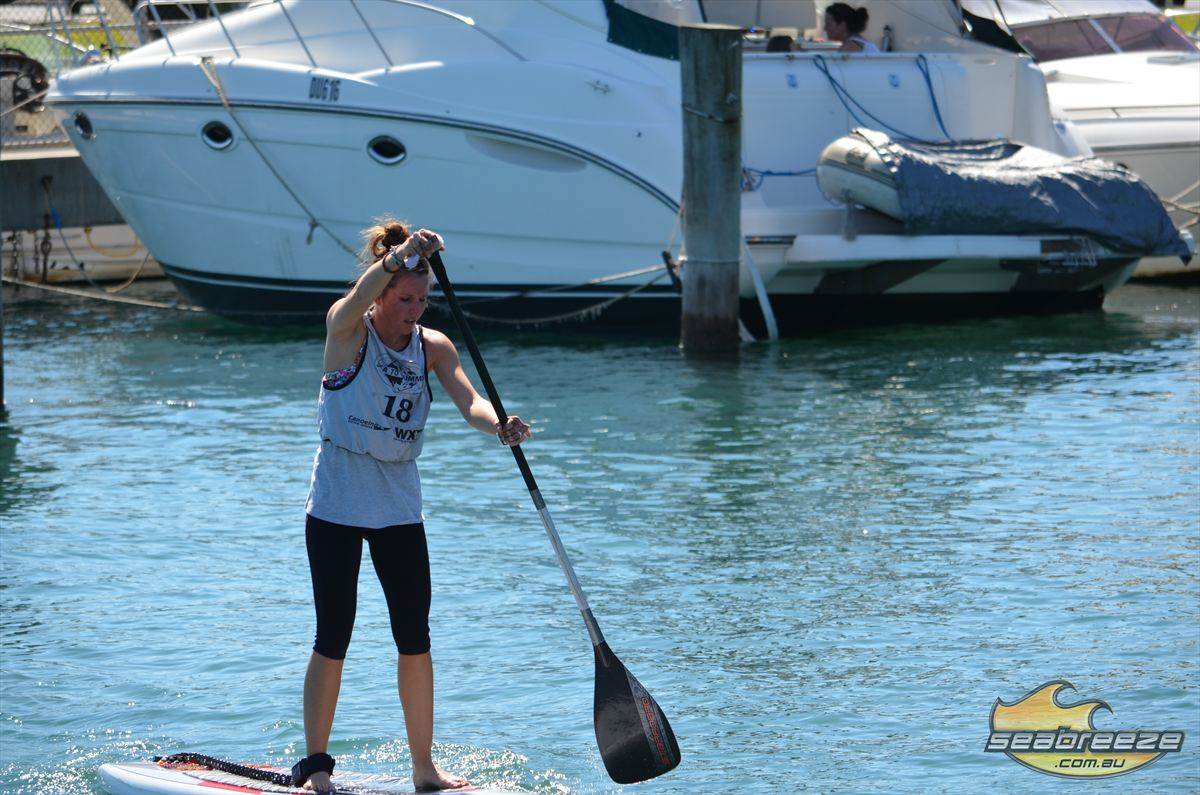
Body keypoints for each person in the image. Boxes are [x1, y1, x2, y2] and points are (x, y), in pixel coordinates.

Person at [295, 220, 532, 793]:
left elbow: (469, 400)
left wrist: (497, 426)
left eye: (422, 300)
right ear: (382, 293)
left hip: (399, 508)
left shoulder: (433, 347)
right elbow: (348, 303)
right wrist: (400, 257)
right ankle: (316, 766)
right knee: (335, 632)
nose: (414, 309)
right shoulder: (348, 331)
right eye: (404, 299)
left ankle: (424, 769)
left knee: (415, 635)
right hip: (336, 505)